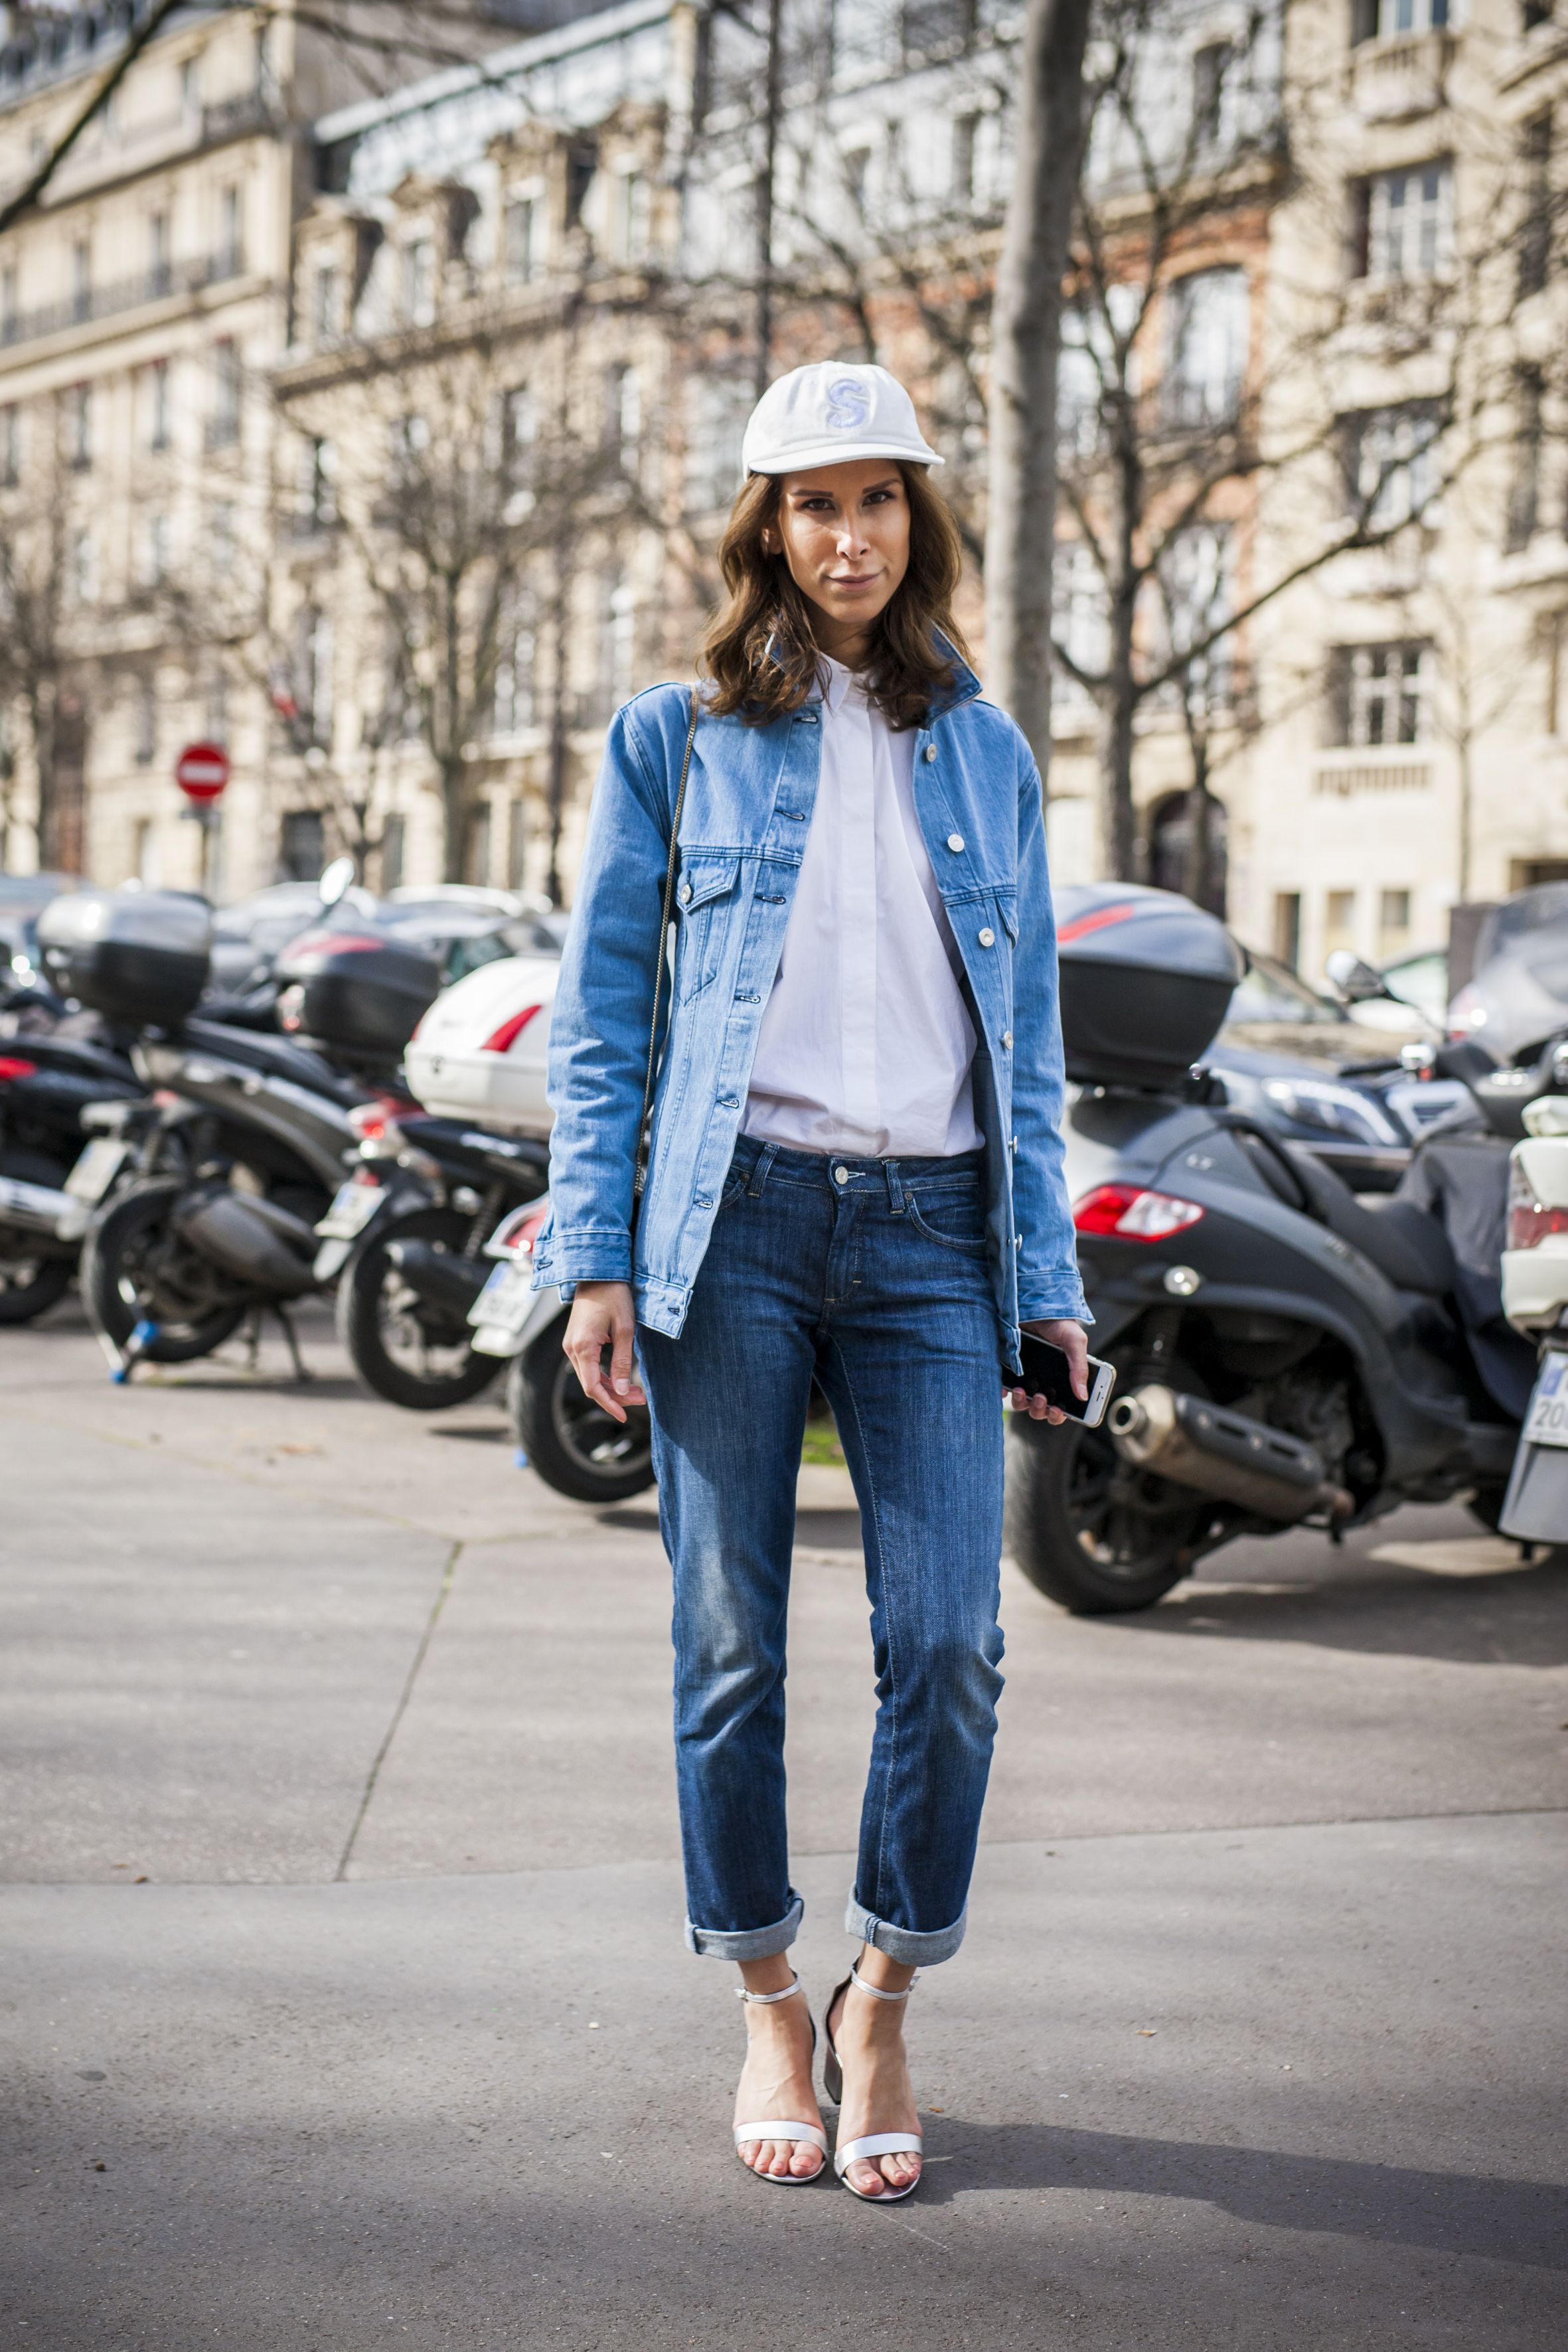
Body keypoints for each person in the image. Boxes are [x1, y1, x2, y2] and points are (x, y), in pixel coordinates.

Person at [535, 360, 1090, 2202]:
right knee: (727, 1644)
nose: (844, 534)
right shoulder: (672, 736)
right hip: (738, 1226)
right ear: (762, 529)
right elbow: (605, 1018)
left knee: (948, 1644)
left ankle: (887, 1991)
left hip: (933, 1232)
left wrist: (1044, 1275)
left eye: (875, 500)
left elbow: (1023, 1029)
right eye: (808, 501)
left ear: (916, 522)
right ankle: (767, 1989)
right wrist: (596, 1258)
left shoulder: (986, 746)